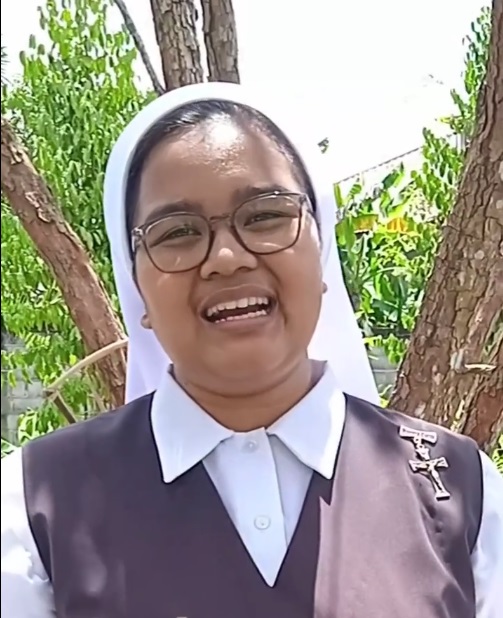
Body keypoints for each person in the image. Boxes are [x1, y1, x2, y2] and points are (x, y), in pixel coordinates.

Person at [1, 82, 502, 618]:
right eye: (177, 232)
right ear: (136, 285)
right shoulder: (34, 504)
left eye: (264, 216)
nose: (227, 257)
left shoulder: (458, 488)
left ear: (321, 250)